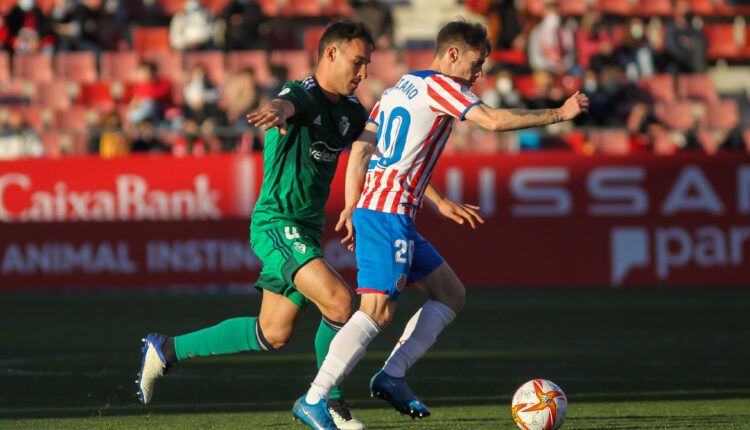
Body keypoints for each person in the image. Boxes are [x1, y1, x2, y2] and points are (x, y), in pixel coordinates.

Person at [291, 19, 588, 429]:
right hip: (388, 213)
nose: (479, 74)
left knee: (450, 294)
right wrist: (560, 112)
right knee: (375, 311)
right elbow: (495, 122)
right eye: (476, 63)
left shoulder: (402, 86)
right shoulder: (446, 86)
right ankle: (315, 397)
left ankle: (392, 376)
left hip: (388, 210)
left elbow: (366, 148)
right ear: (452, 55)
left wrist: (366, 203)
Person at [136, 20, 375, 430]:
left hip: (307, 229)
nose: (363, 73)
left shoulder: (352, 111)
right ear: (331, 54)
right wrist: (277, 110)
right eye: (358, 62)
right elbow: (288, 103)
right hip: (277, 223)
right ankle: (326, 399)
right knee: (339, 302)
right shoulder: (301, 94)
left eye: (367, 63)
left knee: (273, 332)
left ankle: (167, 349)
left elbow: (369, 150)